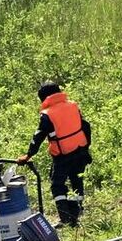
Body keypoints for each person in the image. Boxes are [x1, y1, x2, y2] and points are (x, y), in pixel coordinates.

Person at [25, 80, 92, 229]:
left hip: (63, 156)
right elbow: (85, 126)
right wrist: (86, 148)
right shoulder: (73, 106)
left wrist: (28, 155)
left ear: (43, 98)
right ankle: (75, 214)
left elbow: (38, 137)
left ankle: (66, 218)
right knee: (77, 181)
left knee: (57, 185)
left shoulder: (47, 115)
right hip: (80, 151)